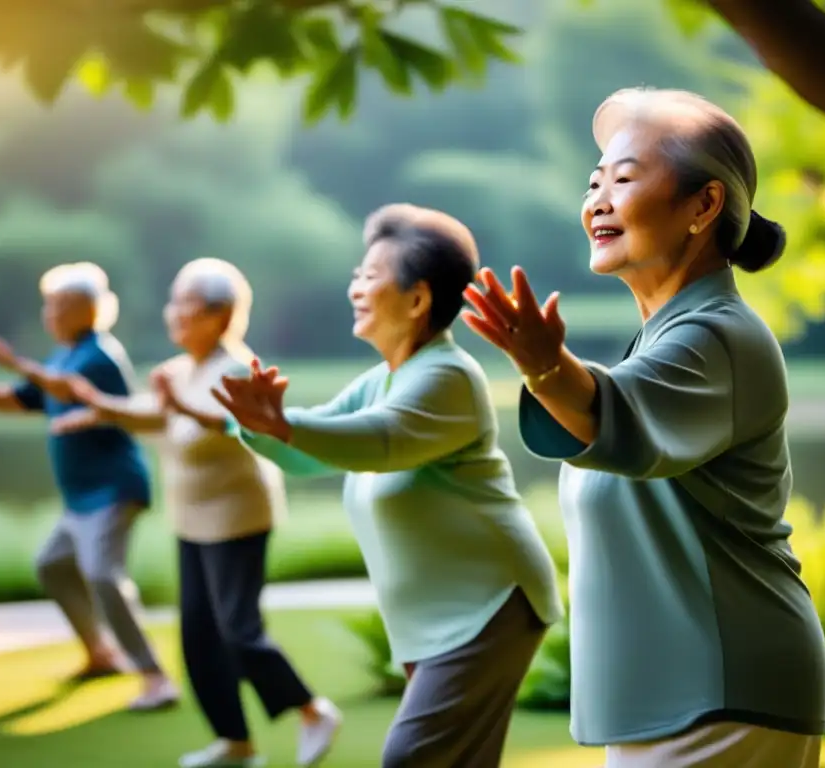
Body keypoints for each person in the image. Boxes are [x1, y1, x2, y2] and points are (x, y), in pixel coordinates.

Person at [462, 86, 825, 768]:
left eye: (624, 178)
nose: (598, 199)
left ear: (703, 205)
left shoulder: (718, 338)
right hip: (680, 703)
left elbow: (611, 414)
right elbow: (612, 416)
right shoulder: (666, 340)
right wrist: (547, 371)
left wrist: (545, 366)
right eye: (594, 181)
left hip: (724, 697)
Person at [211, 204, 564, 768]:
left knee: (411, 757)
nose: (355, 287)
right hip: (439, 616)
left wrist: (282, 424)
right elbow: (308, 456)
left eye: (370, 276)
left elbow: (377, 442)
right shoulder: (384, 379)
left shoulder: (447, 378)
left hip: (491, 603)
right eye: (357, 274)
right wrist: (253, 425)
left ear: (418, 298)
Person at [52, 258, 341, 768]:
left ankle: (313, 710)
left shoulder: (233, 369)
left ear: (220, 315)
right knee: (199, 638)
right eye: (174, 301)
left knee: (238, 630)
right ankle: (236, 743)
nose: (174, 313)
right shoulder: (182, 369)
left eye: (186, 303)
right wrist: (96, 407)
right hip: (191, 519)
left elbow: (226, 424)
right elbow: (152, 417)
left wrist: (176, 409)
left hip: (238, 518)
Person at [0, 262, 178, 712]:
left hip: (113, 487)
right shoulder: (61, 354)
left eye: (58, 305)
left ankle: (154, 676)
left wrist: (12, 360)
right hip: (80, 497)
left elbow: (68, 390)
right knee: (52, 565)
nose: (48, 314)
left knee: (102, 575)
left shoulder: (99, 355)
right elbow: (19, 401)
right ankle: (99, 653)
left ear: (86, 310)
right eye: (48, 305)